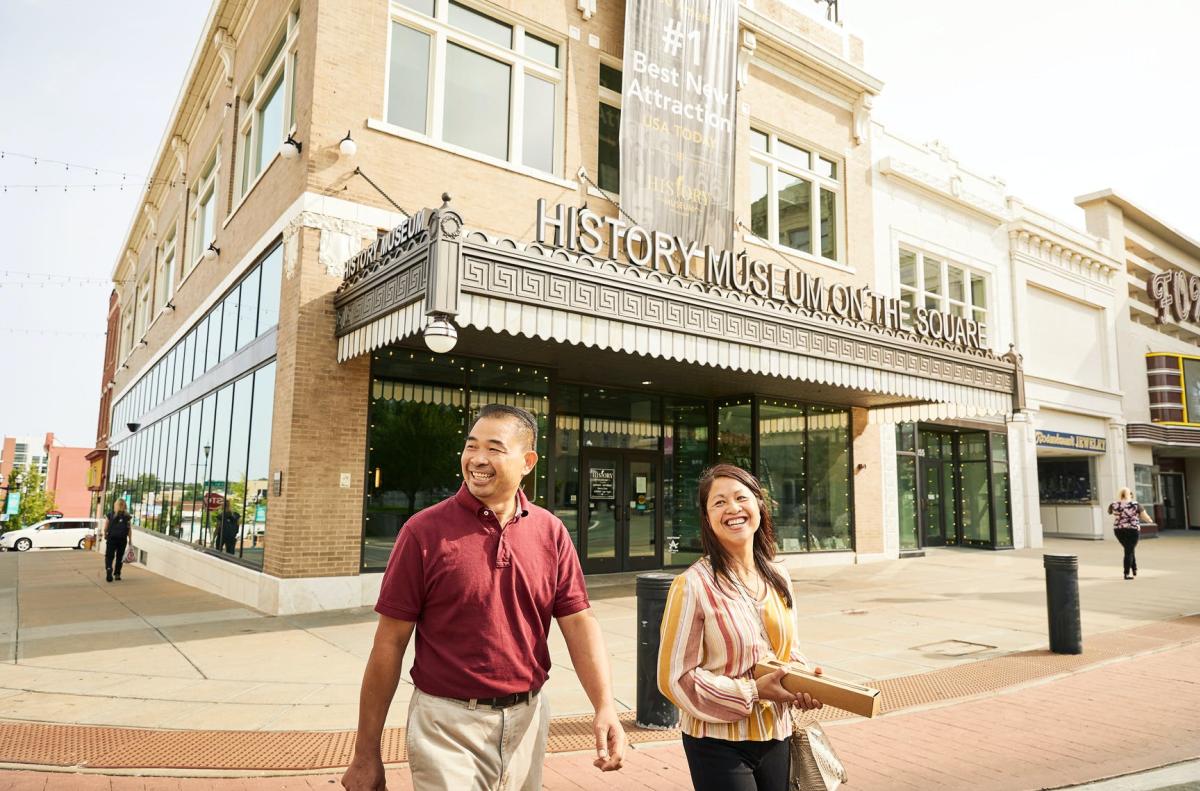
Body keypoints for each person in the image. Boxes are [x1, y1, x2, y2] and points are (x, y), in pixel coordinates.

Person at [341, 403, 626, 791]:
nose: (477, 458)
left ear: (527, 462)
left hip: (528, 719)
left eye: (494, 448)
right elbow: (389, 643)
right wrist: (365, 752)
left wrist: (604, 704)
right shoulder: (422, 532)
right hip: (446, 725)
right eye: (471, 446)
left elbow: (579, 622)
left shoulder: (551, 532)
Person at [659, 463, 823, 791]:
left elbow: (788, 650)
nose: (733, 509)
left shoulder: (779, 575)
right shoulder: (692, 584)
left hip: (776, 731)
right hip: (717, 741)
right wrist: (752, 691)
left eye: (740, 497)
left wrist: (803, 681)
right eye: (719, 503)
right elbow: (673, 678)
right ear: (707, 519)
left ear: (759, 505)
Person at [1108, 487, 1149, 580]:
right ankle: (1126, 573)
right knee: (1129, 550)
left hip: (1119, 530)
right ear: (1130, 495)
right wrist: (1150, 521)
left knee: (1129, 549)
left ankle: (1134, 569)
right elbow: (1145, 516)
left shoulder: (1113, 504)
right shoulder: (1136, 504)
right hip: (1132, 529)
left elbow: (1110, 512)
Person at [104, 498, 132, 583]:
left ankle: (109, 568)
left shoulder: (110, 514)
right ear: (124, 506)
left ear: (115, 505)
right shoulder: (127, 516)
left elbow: (106, 527)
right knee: (119, 557)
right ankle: (117, 574)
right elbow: (129, 529)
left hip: (111, 538)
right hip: (122, 539)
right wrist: (130, 539)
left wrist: (105, 534)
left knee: (109, 556)